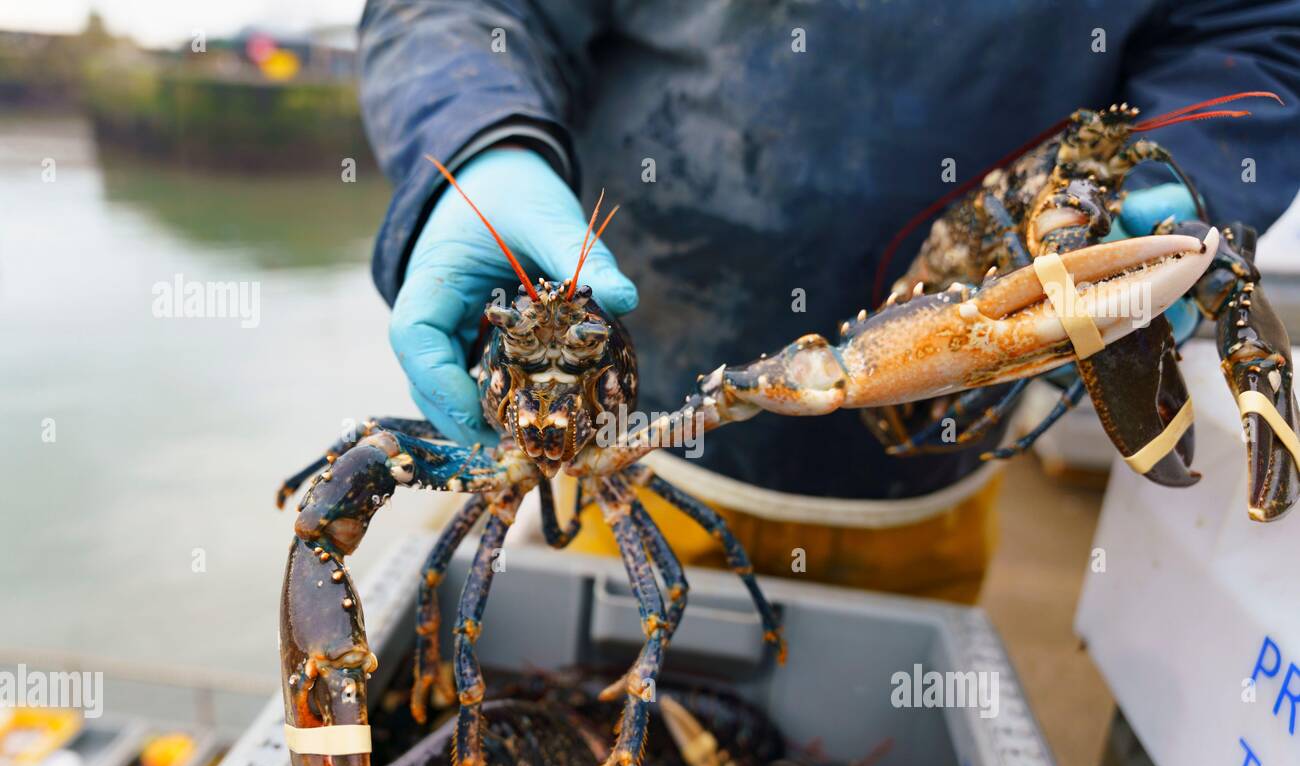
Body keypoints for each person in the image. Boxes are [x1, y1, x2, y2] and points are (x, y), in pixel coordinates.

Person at [357, 0, 1300, 601]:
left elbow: (1256, 31)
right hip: (645, 468)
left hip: (931, 477)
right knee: (582, 654)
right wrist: (480, 145)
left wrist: (1200, 184)